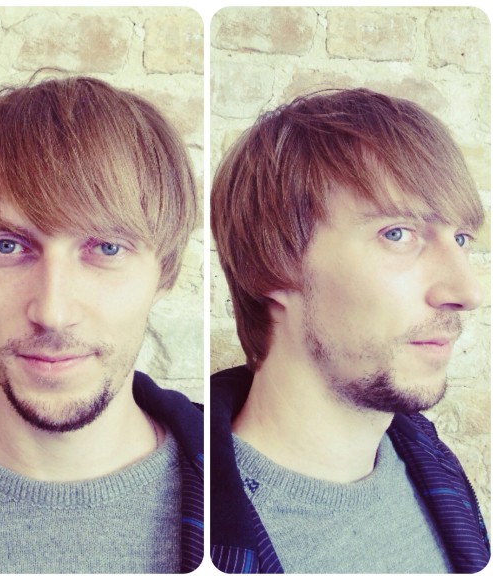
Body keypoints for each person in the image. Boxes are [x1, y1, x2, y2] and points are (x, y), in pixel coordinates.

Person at [0, 75, 203, 574]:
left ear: (163, 271)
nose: (52, 313)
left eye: (106, 248)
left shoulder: (248, 490)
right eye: (7, 246)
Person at [210, 88, 490, 574]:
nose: (467, 292)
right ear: (272, 264)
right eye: (398, 234)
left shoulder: (432, 462)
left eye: (461, 238)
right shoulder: (192, 530)